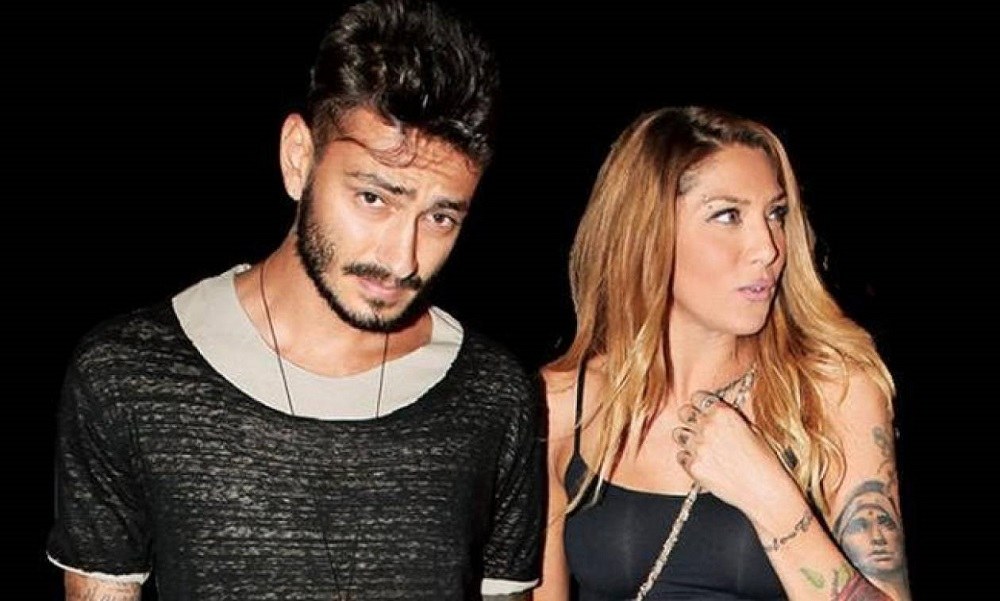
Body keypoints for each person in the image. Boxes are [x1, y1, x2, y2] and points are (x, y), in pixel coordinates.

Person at [46, 1, 543, 599]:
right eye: (374, 199)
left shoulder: (493, 395)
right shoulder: (130, 374)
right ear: (298, 158)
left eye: (440, 217)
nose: (402, 260)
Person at [534, 106, 911, 600]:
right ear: (646, 233)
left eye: (776, 214)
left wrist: (771, 496)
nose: (768, 248)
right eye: (728, 215)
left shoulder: (833, 390)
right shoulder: (563, 402)